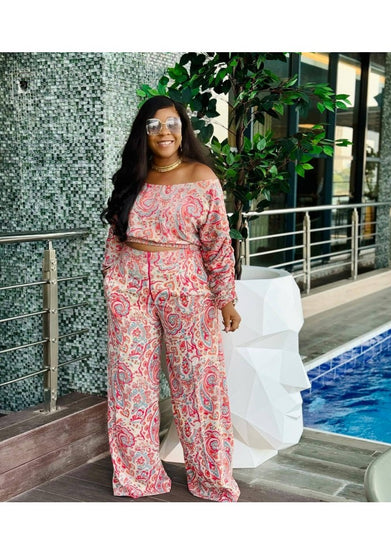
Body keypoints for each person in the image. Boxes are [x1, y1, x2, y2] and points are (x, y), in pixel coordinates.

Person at [101, 95, 241, 502]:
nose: (164, 132)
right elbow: (115, 235)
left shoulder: (202, 175)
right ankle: (138, 478)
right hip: (129, 289)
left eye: (172, 124)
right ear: (143, 133)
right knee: (130, 383)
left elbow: (217, 243)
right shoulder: (133, 177)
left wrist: (226, 298)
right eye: (154, 125)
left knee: (199, 383)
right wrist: (111, 278)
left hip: (187, 287)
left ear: (183, 129)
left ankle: (212, 480)